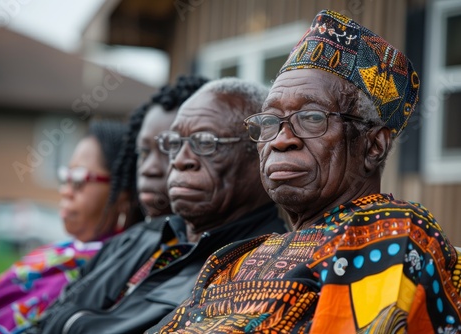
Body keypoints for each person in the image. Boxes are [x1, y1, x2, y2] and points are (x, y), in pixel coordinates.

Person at [149, 10, 461, 334]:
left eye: (312, 118)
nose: (281, 140)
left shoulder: (390, 232)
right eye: (269, 121)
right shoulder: (240, 258)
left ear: (373, 146)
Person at [28, 77, 289, 334]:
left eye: (206, 143)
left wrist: (75, 322)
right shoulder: (136, 239)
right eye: (174, 144)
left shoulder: (262, 269)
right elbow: (45, 319)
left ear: (262, 153)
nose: (180, 160)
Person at [0, 120, 144, 333]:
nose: (65, 190)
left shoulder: (115, 273)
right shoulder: (61, 253)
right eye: (65, 176)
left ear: (123, 194)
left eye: (79, 178)